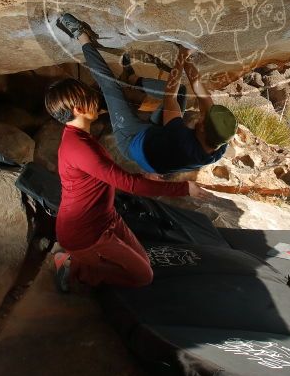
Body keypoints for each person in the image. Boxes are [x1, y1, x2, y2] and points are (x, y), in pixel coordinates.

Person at [44, 77, 216, 292]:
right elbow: (129, 186)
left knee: (143, 261)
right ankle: (75, 267)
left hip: (107, 219)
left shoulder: (79, 137)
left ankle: (80, 261)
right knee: (143, 276)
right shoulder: (79, 147)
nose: (96, 100)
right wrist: (184, 188)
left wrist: (140, 175)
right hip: (85, 233)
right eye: (90, 98)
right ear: (79, 109)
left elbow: (110, 176)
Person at [56, 11, 238, 176]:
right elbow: (200, 92)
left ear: (202, 128)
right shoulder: (219, 141)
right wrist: (187, 55)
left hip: (132, 141)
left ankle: (81, 37)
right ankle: (133, 79)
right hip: (157, 138)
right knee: (183, 92)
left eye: (203, 118)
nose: (202, 114)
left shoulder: (181, 140)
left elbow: (170, 96)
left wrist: (181, 56)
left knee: (111, 86)